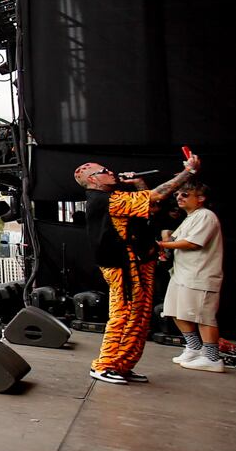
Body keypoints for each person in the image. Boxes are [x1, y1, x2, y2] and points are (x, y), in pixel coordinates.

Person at [75, 152, 201, 384]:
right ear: (92, 179)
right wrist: (189, 171)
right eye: (103, 171)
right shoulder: (105, 200)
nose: (110, 172)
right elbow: (156, 195)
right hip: (121, 267)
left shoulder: (116, 196)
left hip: (137, 261)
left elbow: (152, 207)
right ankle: (104, 365)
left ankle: (122, 365)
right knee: (123, 315)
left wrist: (138, 183)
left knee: (139, 317)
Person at [161, 180, 224, 372]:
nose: (179, 197)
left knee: (204, 317)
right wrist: (166, 237)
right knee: (175, 311)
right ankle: (194, 348)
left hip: (200, 274)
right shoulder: (190, 217)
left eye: (185, 195)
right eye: (177, 194)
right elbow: (175, 239)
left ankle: (212, 358)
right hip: (182, 273)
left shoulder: (206, 215)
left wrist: (161, 245)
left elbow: (193, 243)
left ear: (201, 198)